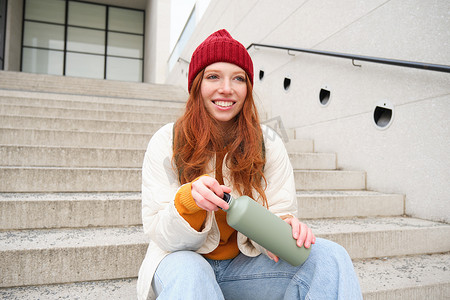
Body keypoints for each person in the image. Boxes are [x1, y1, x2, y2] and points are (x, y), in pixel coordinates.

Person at [137, 29, 363, 300]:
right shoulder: (167, 140)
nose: (227, 89)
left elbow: (280, 209)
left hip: (244, 268)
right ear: (197, 85)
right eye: (213, 77)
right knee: (192, 273)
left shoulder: (268, 142)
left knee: (330, 258)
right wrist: (189, 201)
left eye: (238, 79)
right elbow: (162, 234)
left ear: (248, 88)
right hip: (181, 262)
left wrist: (287, 225)